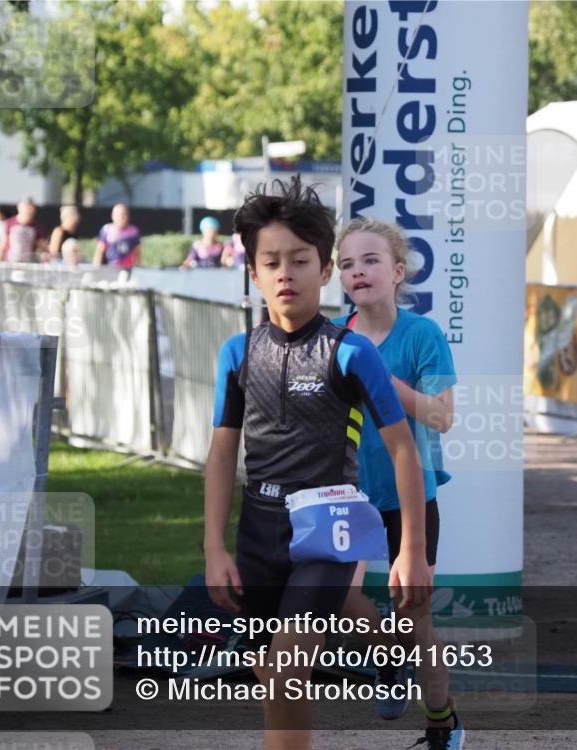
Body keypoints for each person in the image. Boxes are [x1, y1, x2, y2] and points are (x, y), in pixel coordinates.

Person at [204, 177, 431, 750]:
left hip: (330, 532)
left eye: (300, 260)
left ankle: (392, 660)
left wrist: (411, 551)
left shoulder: (352, 352)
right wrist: (213, 546)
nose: (286, 273)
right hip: (258, 532)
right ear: (252, 273)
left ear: (324, 271)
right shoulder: (237, 354)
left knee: (284, 671)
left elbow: (405, 446)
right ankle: (387, 652)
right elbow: (222, 451)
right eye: (271, 261)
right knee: (273, 675)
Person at [333, 218, 463, 750]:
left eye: (369, 260)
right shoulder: (335, 339)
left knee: (417, 619)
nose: (357, 271)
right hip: (349, 494)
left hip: (411, 496)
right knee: (339, 598)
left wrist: (385, 383)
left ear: (397, 271)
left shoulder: (423, 335)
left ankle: (442, 722)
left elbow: (440, 417)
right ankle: (388, 654)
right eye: (346, 264)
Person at [0, 197, 47, 263]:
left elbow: (43, 248)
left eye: (31, 207)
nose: (30, 210)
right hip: (10, 263)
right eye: (27, 207)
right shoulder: (9, 223)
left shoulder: (37, 227)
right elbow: (2, 245)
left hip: (28, 265)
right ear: (20, 207)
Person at [93, 203, 141, 269]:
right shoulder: (106, 230)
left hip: (128, 269)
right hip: (110, 268)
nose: (122, 217)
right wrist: (96, 269)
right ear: (113, 216)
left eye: (124, 214)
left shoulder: (133, 231)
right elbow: (99, 253)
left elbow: (137, 253)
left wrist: (137, 269)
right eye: (119, 215)